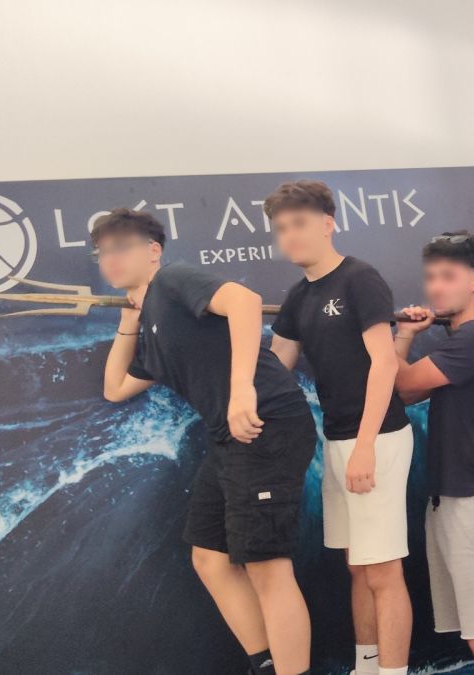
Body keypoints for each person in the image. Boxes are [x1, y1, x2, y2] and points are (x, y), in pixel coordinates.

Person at [96, 208, 315, 675]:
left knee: (266, 566)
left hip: (266, 422)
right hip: (228, 439)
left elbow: (244, 301)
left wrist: (242, 390)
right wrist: (130, 319)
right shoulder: (154, 323)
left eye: (121, 247)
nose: (110, 258)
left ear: (153, 251)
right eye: (102, 252)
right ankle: (267, 664)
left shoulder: (173, 280)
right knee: (211, 558)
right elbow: (115, 387)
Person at [265, 180, 413, 675]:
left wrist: (366, 446)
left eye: (299, 224)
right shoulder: (298, 296)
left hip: (378, 438)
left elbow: (384, 363)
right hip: (337, 439)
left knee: (383, 570)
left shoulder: (360, 279)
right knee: (358, 566)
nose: (289, 235)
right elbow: (275, 368)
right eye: (281, 228)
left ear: (327, 224)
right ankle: (366, 667)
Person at [391, 231, 474, 675]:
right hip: (454, 501)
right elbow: (410, 395)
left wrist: (403, 334)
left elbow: (402, 384)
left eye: (448, 276)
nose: (436, 287)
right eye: (430, 277)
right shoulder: (466, 339)